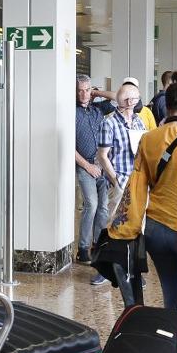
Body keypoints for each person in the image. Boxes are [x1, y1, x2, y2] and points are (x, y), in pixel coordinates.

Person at [109, 71, 177, 311]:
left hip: (156, 231)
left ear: (167, 105)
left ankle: (170, 340)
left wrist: (125, 232)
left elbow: (134, 189)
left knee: (172, 296)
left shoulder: (149, 139)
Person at [97, 81, 147, 236]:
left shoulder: (139, 121)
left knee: (139, 222)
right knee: (113, 223)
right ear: (130, 102)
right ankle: (110, 258)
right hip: (119, 180)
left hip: (138, 180)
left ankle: (133, 257)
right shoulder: (109, 123)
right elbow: (102, 155)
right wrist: (115, 180)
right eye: (137, 98)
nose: (138, 101)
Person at [75, 73, 112, 268]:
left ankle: (99, 246)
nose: (83, 94)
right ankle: (83, 249)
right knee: (91, 204)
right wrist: (88, 166)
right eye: (80, 90)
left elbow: (118, 97)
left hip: (102, 166)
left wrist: (96, 92)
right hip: (85, 166)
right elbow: (69, 147)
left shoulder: (98, 109)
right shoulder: (71, 112)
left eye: (87, 90)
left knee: (103, 207)